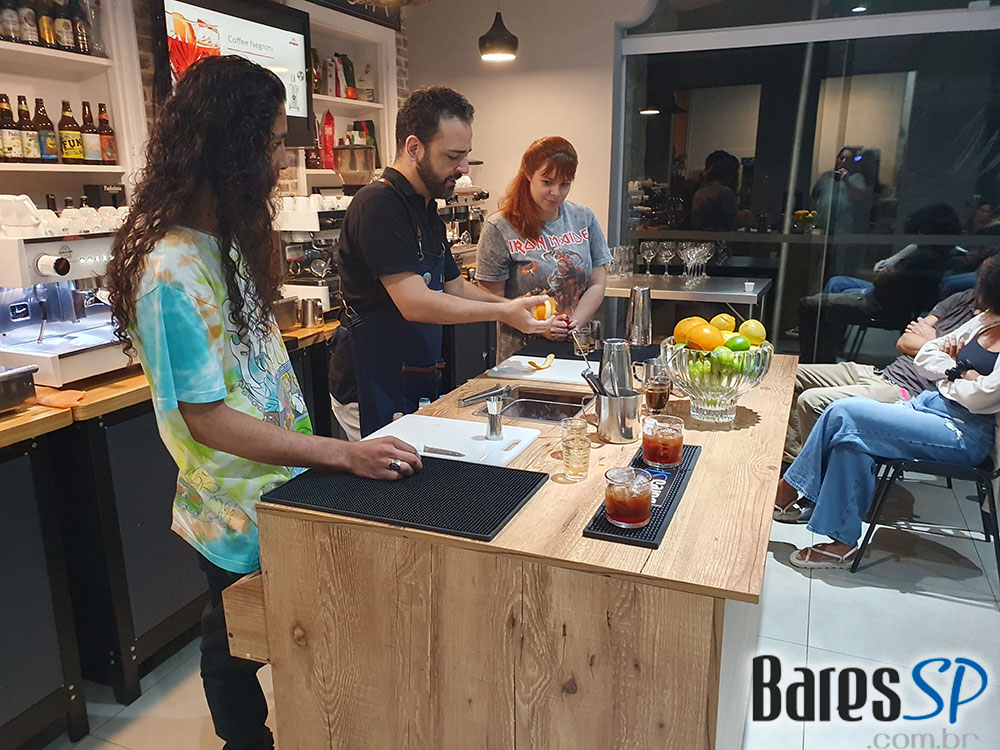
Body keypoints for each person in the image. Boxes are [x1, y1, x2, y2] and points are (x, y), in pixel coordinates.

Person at [105, 56, 421, 750]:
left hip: (277, 489)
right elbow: (206, 418)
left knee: (276, 628)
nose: (282, 160)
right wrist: (342, 453)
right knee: (232, 643)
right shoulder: (168, 271)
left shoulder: (220, 242)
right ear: (231, 148)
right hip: (230, 506)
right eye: (274, 143)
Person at [328, 87, 550, 439]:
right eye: (453, 156)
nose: (463, 169)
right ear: (413, 148)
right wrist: (502, 312)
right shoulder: (378, 204)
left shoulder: (426, 207)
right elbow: (415, 303)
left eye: (466, 156)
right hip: (372, 383)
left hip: (412, 375)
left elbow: (454, 286)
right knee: (391, 475)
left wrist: (512, 305)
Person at [774, 254, 1000, 569]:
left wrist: (953, 369)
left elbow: (982, 397)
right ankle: (841, 544)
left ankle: (785, 492)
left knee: (842, 413)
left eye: (983, 284)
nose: (976, 290)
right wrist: (962, 372)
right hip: (929, 404)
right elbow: (927, 355)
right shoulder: (986, 321)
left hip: (963, 432)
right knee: (850, 443)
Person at [783, 286, 976, 478]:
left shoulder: (984, 329)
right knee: (789, 374)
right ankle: (794, 467)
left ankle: (809, 482)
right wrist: (939, 345)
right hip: (881, 373)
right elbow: (904, 341)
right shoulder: (962, 298)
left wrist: (932, 339)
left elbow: (964, 368)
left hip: (906, 391)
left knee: (811, 401)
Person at [475, 136, 612, 362]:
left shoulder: (583, 218)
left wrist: (574, 323)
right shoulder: (500, 227)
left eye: (565, 184)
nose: (556, 192)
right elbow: (492, 301)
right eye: (547, 182)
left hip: (578, 350)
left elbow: (597, 282)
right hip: (523, 357)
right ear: (528, 175)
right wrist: (540, 327)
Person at [798, 204, 962, 364]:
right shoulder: (938, 255)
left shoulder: (921, 260)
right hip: (887, 299)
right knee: (837, 284)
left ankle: (817, 360)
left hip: (880, 305)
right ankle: (831, 347)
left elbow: (880, 283)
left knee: (810, 304)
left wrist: (889, 274)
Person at [811, 146, 873, 276]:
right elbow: (814, 196)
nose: (843, 161)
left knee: (840, 268)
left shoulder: (857, 178)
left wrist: (847, 181)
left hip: (844, 232)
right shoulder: (826, 177)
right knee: (819, 268)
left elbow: (859, 198)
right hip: (823, 230)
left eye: (847, 159)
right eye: (841, 158)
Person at [690, 150, 739, 231]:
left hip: (700, 235)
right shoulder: (725, 193)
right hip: (719, 236)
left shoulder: (699, 192)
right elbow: (731, 222)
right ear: (728, 173)